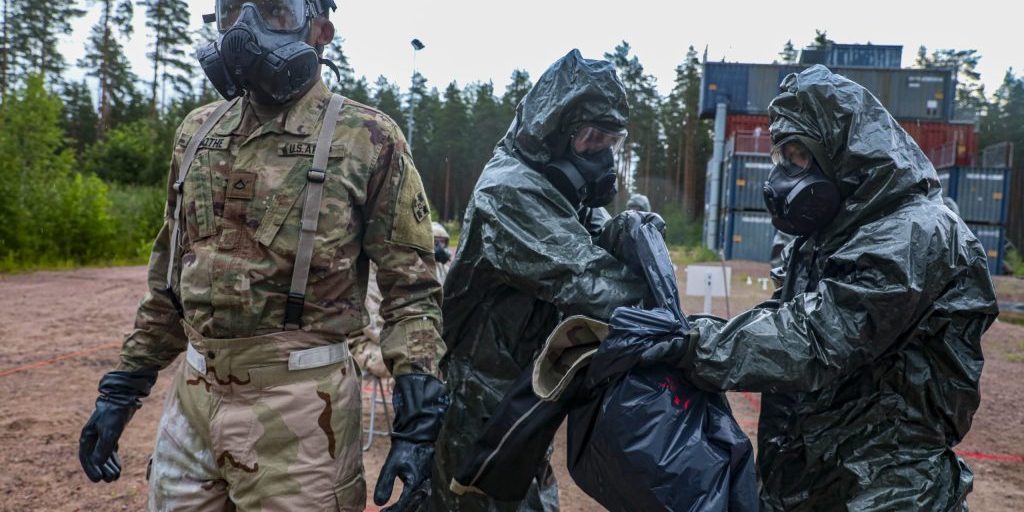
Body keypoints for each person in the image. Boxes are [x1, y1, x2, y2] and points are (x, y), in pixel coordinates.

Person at [76, 1, 448, 510]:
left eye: (275, 10)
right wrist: (122, 387)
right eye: (231, 10)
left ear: (320, 30)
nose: (245, 30)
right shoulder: (198, 132)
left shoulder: (367, 138)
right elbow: (169, 280)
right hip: (194, 398)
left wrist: (419, 417)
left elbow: (412, 292)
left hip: (302, 413)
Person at [608, 65, 999, 510]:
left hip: (888, 489)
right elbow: (784, 315)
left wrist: (692, 344)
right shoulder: (834, 234)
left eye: (798, 157)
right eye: (781, 159)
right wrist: (690, 331)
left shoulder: (915, 233)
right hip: (813, 476)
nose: (783, 177)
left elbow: (816, 337)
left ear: (843, 151)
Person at [430, 49, 650, 512]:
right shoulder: (510, 191)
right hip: (480, 403)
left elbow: (601, 239)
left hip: (522, 391)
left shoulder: (561, 191)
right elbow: (591, 283)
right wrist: (677, 322)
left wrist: (637, 236)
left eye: (611, 141)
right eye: (592, 140)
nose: (603, 156)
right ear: (553, 132)